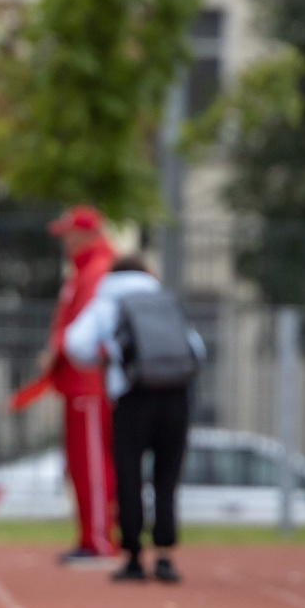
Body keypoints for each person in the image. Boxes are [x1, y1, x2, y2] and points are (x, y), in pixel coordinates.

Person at [64, 255, 205, 586]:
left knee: (129, 475)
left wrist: (103, 358)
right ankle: (165, 555)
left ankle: (133, 557)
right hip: (176, 395)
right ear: (148, 273)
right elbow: (197, 350)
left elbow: (76, 343)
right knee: (166, 478)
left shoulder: (107, 300)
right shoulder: (165, 300)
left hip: (132, 395)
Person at [48, 207, 118, 564]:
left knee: (92, 463)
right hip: (79, 382)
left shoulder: (97, 271)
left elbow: (92, 331)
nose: (65, 242)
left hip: (89, 384)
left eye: (69, 234)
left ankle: (99, 539)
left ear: (86, 235)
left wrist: (57, 349)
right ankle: (92, 536)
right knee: (83, 463)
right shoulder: (87, 271)